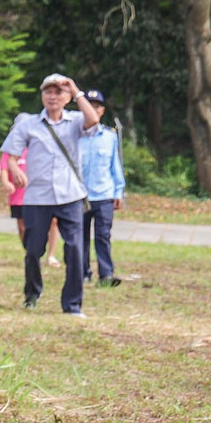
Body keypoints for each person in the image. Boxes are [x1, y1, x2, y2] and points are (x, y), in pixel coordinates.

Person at [0, 73, 100, 317]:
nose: (53, 96)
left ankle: (72, 304)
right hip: (37, 197)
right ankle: (32, 293)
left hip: (70, 196)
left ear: (67, 98)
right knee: (33, 250)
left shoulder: (75, 120)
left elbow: (93, 120)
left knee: (75, 249)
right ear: (42, 95)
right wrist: (14, 171)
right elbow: (10, 156)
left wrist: (76, 90)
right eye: (48, 91)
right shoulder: (28, 124)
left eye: (58, 92)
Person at [79, 88, 124, 287]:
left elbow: (115, 164)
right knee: (79, 235)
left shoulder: (109, 137)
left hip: (103, 193)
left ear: (102, 111)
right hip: (79, 194)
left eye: (96, 107)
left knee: (103, 235)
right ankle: (81, 272)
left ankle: (106, 274)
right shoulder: (75, 135)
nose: (93, 111)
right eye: (89, 107)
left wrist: (118, 191)